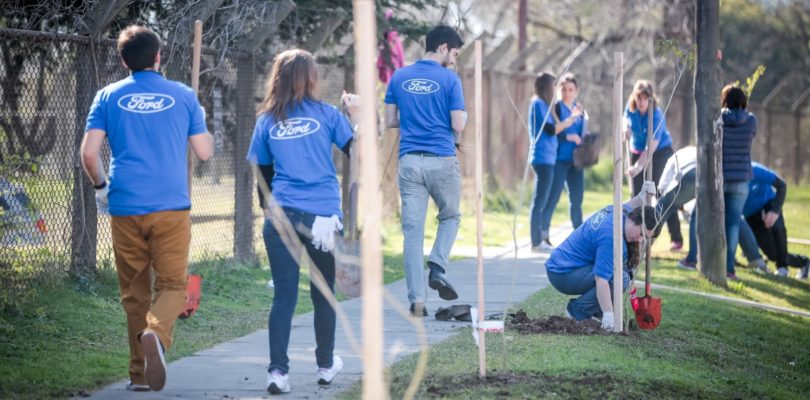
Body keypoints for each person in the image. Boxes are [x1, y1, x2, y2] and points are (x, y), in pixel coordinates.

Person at [80, 25, 213, 392]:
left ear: (124, 61)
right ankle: (155, 334)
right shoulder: (184, 96)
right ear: (159, 56)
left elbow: (89, 154)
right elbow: (203, 151)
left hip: (124, 205)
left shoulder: (107, 96)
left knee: (135, 291)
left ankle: (139, 375)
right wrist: (199, 118)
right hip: (171, 206)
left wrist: (102, 189)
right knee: (172, 284)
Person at [246, 49, 358, 395]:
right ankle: (325, 365)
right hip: (323, 218)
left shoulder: (267, 119)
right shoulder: (327, 114)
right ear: (311, 79)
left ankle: (277, 373)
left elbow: (261, 172)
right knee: (323, 293)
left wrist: (268, 210)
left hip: (280, 216)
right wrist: (357, 117)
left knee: (284, 296)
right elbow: (360, 153)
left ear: (277, 78)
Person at [384, 25, 467, 316]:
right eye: (454, 54)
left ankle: (417, 301)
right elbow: (457, 124)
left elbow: (391, 121)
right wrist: (462, 116)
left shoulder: (399, 76)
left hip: (410, 162)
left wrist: (415, 116)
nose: (454, 60)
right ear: (444, 48)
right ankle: (438, 265)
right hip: (442, 160)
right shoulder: (450, 79)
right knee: (451, 215)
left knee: (412, 233)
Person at [545, 182, 657, 330]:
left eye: (645, 237)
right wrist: (609, 315)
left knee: (620, 270)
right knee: (620, 278)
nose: (640, 239)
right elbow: (601, 279)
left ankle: (595, 310)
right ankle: (578, 311)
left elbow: (631, 204)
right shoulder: (611, 238)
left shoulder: (621, 214)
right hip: (562, 274)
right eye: (641, 234)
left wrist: (642, 196)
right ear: (632, 219)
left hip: (565, 265)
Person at [624, 80, 682, 251]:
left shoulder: (656, 115)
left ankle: (676, 238)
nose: (641, 102)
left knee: (662, 193)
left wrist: (638, 167)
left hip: (660, 152)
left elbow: (652, 147)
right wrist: (625, 128)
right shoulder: (630, 108)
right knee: (637, 193)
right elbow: (624, 120)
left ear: (650, 98)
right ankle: (635, 233)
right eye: (639, 98)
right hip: (637, 150)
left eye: (645, 98)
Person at [713, 84, 757, 281]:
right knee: (733, 225)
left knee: (715, 221)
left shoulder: (719, 118)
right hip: (741, 181)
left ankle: (711, 261)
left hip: (721, 178)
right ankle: (729, 268)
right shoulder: (751, 121)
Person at [739, 163, 809, 279]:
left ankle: (782, 267)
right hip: (750, 214)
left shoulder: (756, 170)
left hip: (768, 203)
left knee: (777, 227)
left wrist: (775, 211)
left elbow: (782, 185)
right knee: (772, 254)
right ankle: (803, 262)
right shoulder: (727, 176)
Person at [541, 73, 586, 243]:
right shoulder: (556, 108)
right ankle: (543, 234)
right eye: (564, 89)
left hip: (576, 162)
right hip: (559, 160)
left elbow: (582, 130)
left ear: (576, 91)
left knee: (577, 199)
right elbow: (552, 133)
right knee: (553, 197)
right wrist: (569, 137)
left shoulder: (580, 109)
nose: (567, 93)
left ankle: (580, 238)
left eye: (570, 90)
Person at [527, 72, 557, 252]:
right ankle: (536, 242)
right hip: (542, 158)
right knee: (539, 201)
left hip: (549, 158)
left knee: (543, 200)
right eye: (553, 85)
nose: (555, 89)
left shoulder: (545, 105)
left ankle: (540, 239)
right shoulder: (537, 103)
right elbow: (550, 129)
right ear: (546, 86)